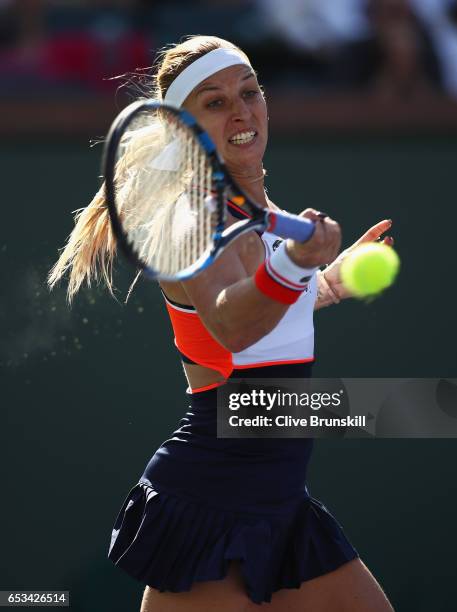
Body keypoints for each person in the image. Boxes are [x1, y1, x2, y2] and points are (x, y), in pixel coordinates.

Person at [48, 35, 395, 612]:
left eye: (249, 91)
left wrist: (332, 279)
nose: (241, 110)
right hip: (214, 493)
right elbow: (235, 325)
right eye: (214, 102)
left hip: (278, 493)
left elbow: (276, 311)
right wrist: (294, 262)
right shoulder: (187, 216)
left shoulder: (245, 209)